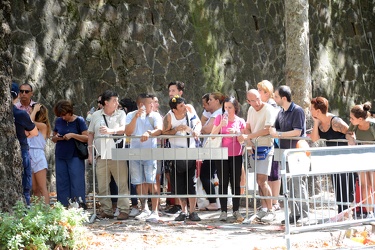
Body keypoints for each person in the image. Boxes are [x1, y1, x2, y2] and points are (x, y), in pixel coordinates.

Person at [87, 90, 130, 220]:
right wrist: (90, 153)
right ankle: (106, 210)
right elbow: (90, 134)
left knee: (122, 183)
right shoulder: (95, 115)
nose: (117, 103)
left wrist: (111, 131)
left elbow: (125, 129)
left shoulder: (121, 113)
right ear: (106, 102)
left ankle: (124, 210)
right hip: (101, 154)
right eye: (114, 100)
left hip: (117, 154)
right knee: (102, 184)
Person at [269, 85, 308, 224]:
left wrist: (279, 134)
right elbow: (275, 127)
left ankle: (304, 214)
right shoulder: (280, 112)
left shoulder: (297, 111)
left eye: (276, 97)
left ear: (283, 98)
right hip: (284, 153)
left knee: (298, 184)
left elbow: (297, 132)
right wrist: (273, 131)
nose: (274, 99)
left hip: (296, 152)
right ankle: (294, 214)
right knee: (288, 185)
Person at [310, 97, 354, 214]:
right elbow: (314, 138)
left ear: (318, 111)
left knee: (346, 187)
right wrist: (315, 122)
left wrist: (350, 144)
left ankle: (348, 213)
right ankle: (342, 213)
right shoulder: (319, 124)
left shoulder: (335, 122)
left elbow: (350, 132)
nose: (310, 111)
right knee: (337, 186)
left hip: (344, 157)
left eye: (311, 109)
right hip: (333, 158)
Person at [162, 95, 202, 221]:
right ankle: (183, 211)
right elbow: (164, 132)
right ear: (174, 109)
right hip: (175, 154)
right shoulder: (169, 117)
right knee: (178, 184)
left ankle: (192, 211)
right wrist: (175, 130)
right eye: (180, 106)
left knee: (191, 183)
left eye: (184, 104)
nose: (184, 107)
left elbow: (198, 123)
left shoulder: (189, 113)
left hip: (189, 152)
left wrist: (196, 131)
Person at [125, 93, 163, 221]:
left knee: (151, 181)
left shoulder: (155, 115)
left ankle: (155, 211)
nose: (152, 105)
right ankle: (144, 209)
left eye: (152, 103)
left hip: (150, 153)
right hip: (134, 154)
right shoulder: (130, 115)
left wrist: (149, 132)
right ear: (141, 104)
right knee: (139, 182)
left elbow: (159, 130)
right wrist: (135, 117)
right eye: (149, 103)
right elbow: (128, 132)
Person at [242, 89, 276, 223]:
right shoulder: (251, 110)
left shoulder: (268, 109)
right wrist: (249, 142)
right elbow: (247, 126)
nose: (257, 102)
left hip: (266, 147)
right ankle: (264, 208)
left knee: (262, 180)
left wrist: (249, 136)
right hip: (254, 147)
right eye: (253, 100)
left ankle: (271, 209)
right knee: (258, 180)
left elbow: (268, 129)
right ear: (248, 101)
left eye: (258, 98)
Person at [212, 96, 246, 222]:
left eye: (230, 107)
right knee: (223, 182)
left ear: (235, 108)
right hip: (221, 154)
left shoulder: (240, 120)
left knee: (235, 182)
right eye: (225, 107)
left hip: (236, 155)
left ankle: (236, 210)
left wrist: (237, 132)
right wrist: (221, 125)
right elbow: (212, 135)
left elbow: (243, 139)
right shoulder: (219, 118)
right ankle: (223, 211)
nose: (227, 110)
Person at [52, 100, 88, 208]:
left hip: (75, 154)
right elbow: (53, 137)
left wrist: (72, 135)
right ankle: (63, 206)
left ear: (70, 111)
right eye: (60, 115)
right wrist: (56, 138)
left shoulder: (79, 121)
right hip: (61, 154)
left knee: (76, 181)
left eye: (64, 115)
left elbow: (86, 138)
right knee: (62, 181)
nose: (63, 117)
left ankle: (79, 205)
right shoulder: (58, 121)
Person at [11, 82, 38, 206]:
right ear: (16, 96)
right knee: (25, 184)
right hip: (21, 149)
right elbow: (34, 132)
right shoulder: (20, 113)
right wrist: (25, 133)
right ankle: (25, 210)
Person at [346, 101, 375, 218]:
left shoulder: (373, 125)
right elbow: (348, 133)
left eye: (352, 118)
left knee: (373, 185)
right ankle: (369, 213)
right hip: (362, 157)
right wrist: (350, 139)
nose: (350, 120)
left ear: (361, 119)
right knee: (364, 186)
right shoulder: (355, 125)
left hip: (373, 156)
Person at [257, 80, 281, 211]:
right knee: (266, 175)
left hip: (273, 142)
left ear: (267, 92)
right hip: (263, 142)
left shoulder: (272, 105)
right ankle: (267, 203)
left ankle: (275, 201)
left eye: (260, 90)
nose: (259, 93)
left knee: (274, 172)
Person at [199, 92, 226, 211]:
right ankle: (217, 201)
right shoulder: (215, 113)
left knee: (205, 175)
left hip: (214, 149)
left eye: (210, 99)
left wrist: (203, 127)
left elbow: (206, 129)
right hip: (213, 149)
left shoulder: (218, 113)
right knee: (212, 176)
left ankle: (214, 202)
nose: (208, 102)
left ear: (217, 101)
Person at [119, 97, 139, 217]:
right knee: (126, 178)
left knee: (133, 178)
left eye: (121, 107)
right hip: (124, 147)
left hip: (132, 147)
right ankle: (127, 205)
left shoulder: (132, 116)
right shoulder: (125, 117)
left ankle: (136, 204)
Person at [28, 103, 51, 205]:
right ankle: (36, 210)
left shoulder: (43, 126)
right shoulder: (30, 128)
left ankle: (46, 211)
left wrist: (35, 110)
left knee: (42, 187)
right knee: (34, 188)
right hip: (29, 154)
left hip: (38, 155)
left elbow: (29, 122)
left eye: (32, 111)